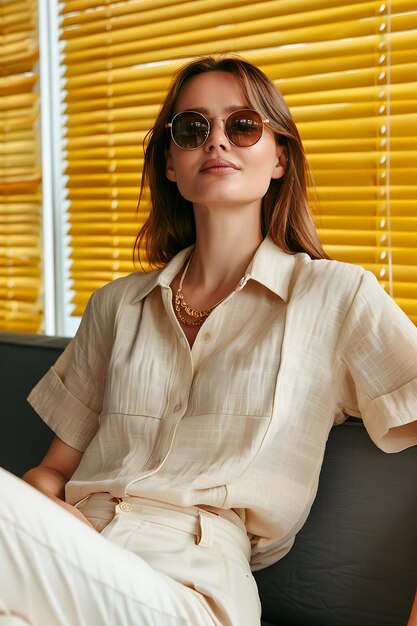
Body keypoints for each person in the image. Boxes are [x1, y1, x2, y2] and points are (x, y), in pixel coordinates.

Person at [0, 55, 416, 626]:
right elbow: (51, 471)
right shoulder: (115, 306)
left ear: (279, 158)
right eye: (192, 129)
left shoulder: (336, 296)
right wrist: (49, 511)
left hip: (189, 588)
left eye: (243, 126)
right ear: (171, 162)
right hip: (73, 559)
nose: (217, 142)